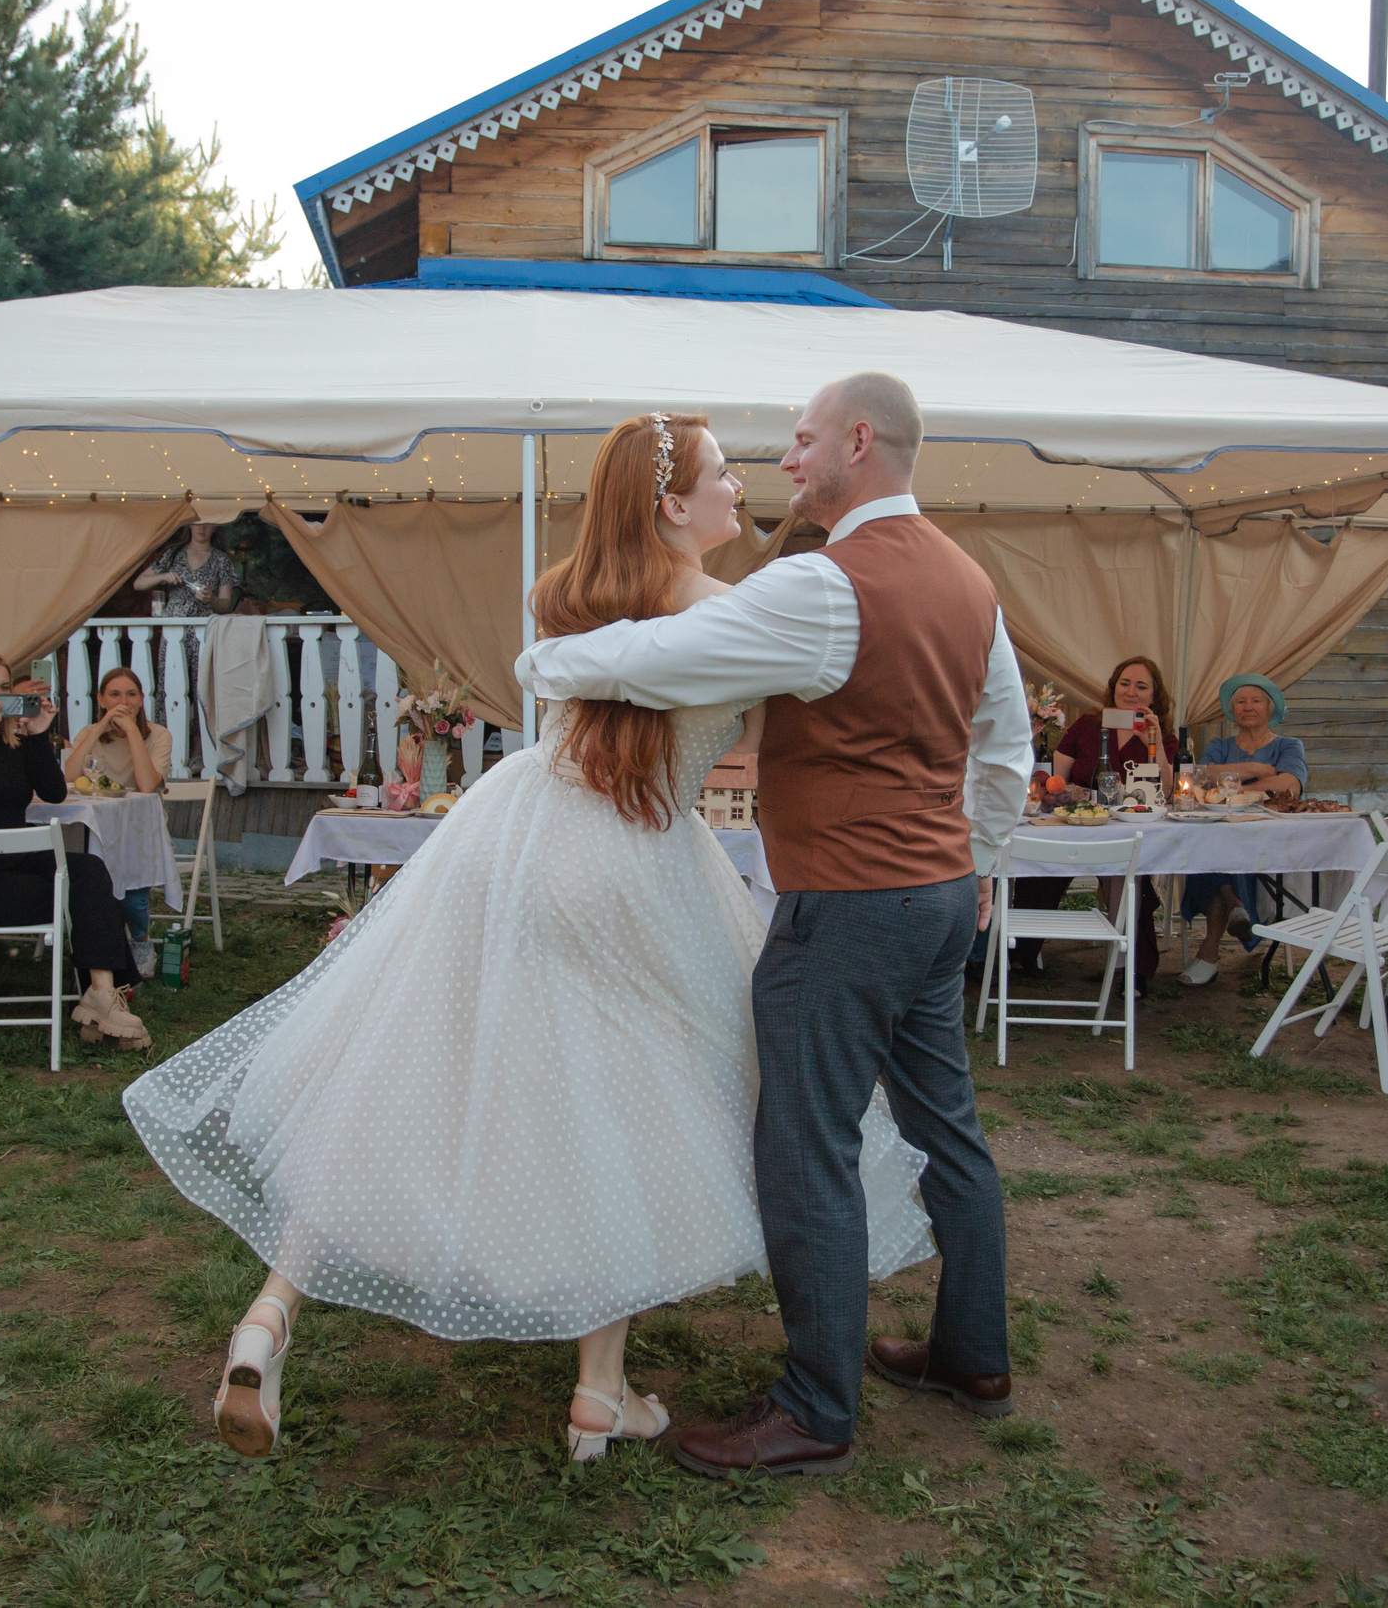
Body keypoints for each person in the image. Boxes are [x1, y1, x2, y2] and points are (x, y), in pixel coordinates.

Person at [124, 410, 938, 1468]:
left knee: (405, 1063)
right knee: (634, 1099)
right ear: (671, 505)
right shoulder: (730, 613)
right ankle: (598, 1389)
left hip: (511, 838)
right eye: (721, 476)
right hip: (634, 861)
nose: (740, 488)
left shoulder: (563, 598)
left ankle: (267, 1319)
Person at [519, 373, 1033, 1481]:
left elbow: (654, 661)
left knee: (807, 1149)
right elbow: (1006, 750)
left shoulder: (825, 585)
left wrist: (542, 662)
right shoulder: (969, 581)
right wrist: (977, 860)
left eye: (801, 442)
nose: (787, 462)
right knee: (949, 1129)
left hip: (847, 905)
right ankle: (972, 1358)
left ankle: (814, 1406)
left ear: (857, 440)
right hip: (939, 899)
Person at [0, 652, 148, 1048]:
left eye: (3, 687)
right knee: (82, 894)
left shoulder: (18, 741)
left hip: (20, 863)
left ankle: (101, 993)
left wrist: (38, 734)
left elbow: (54, 791)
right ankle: (107, 1000)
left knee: (90, 871)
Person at [1005, 655, 1179, 983]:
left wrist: (1151, 743)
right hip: (1077, 824)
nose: (1131, 692)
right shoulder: (1087, 725)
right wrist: (1071, 792)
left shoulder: (1162, 735)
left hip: (1127, 831)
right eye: (1124, 684)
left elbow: (1167, 792)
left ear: (1153, 696)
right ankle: (1021, 955)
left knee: (1130, 877)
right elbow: (1054, 780)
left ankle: (1131, 971)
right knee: (1042, 866)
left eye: (1141, 686)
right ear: (1113, 689)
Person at [1178, 675, 1308, 986]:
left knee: (1217, 854)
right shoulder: (1220, 745)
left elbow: (1289, 784)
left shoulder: (1288, 746)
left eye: (1255, 700)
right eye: (1240, 701)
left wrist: (1226, 785)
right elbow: (1193, 777)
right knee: (1215, 848)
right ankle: (1235, 905)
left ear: (1270, 708)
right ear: (1231, 709)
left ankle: (1209, 952)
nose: (1247, 706)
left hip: (1265, 841)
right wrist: (1251, 771)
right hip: (1216, 836)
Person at [63, 666, 173, 976]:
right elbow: (68, 778)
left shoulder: (159, 735)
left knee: (133, 895)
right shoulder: (89, 733)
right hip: (92, 826)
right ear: (101, 699)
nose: (123, 701)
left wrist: (134, 732)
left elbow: (147, 785)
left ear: (140, 700)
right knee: (92, 885)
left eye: (131, 694)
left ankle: (139, 939)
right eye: (114, 694)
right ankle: (100, 945)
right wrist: (99, 729)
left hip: (139, 827)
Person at [134, 522, 240, 618]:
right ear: (190, 525)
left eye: (207, 523)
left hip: (203, 630)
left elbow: (225, 606)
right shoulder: (172, 554)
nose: (202, 528)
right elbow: (138, 583)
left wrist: (211, 599)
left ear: (214, 527)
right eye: (197, 523)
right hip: (173, 629)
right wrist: (163, 576)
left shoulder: (221, 560)